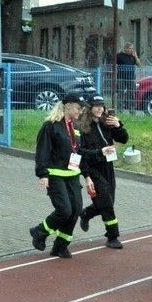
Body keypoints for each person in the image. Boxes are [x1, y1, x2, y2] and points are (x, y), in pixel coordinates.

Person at [29, 94, 105, 259]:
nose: (80, 111)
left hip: (73, 175)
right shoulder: (50, 126)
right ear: (68, 106)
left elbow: (78, 152)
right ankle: (39, 231)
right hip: (55, 176)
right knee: (64, 210)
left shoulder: (75, 127)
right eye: (78, 108)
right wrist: (42, 174)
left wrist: (89, 171)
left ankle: (60, 246)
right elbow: (42, 151)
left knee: (76, 210)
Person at [77, 95, 129, 249]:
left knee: (108, 201)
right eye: (96, 105)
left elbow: (124, 139)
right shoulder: (82, 127)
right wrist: (86, 175)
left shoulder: (106, 123)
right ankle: (112, 236)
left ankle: (86, 213)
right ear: (89, 108)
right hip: (93, 168)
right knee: (106, 202)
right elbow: (79, 153)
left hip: (108, 167)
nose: (100, 108)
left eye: (102, 105)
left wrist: (118, 125)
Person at [115, 42, 140, 113]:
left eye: (132, 48)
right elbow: (114, 65)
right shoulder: (119, 55)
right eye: (129, 48)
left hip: (131, 78)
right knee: (121, 93)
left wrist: (135, 56)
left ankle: (131, 110)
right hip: (121, 77)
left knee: (131, 93)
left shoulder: (133, 56)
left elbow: (139, 65)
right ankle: (120, 110)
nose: (131, 50)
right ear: (125, 48)